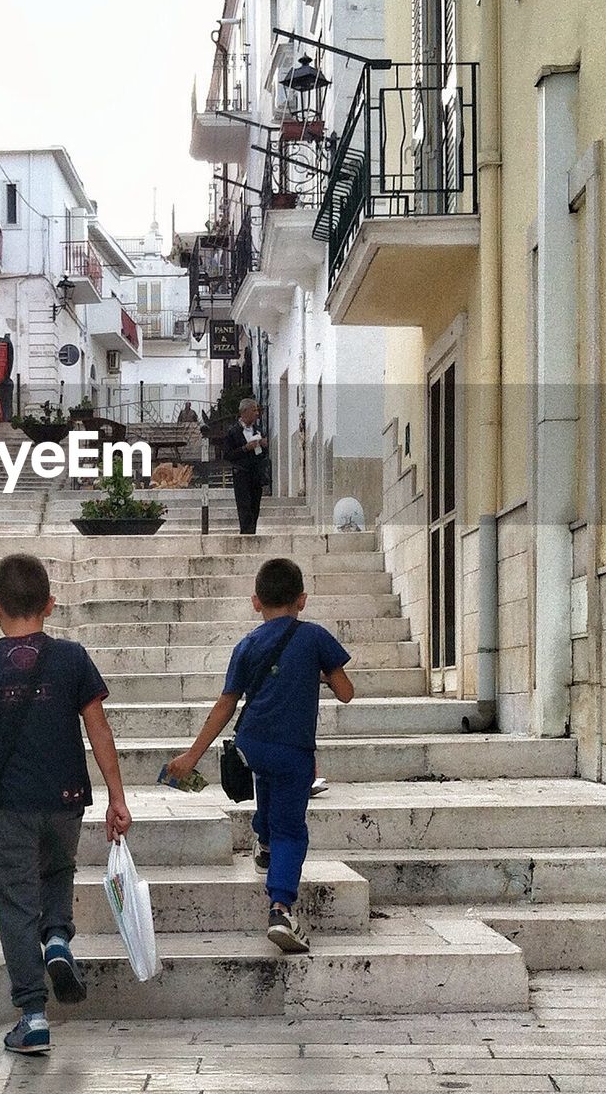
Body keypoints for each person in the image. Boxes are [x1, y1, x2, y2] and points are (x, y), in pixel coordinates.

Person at [0, 553, 132, 1057]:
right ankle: (58, 938)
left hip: (12, 806)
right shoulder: (73, 658)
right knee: (58, 872)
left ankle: (33, 1016)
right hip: (67, 800)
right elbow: (98, 728)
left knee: (16, 903)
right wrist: (117, 798)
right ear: (51, 604)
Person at [163, 557, 354, 954]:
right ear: (302, 600)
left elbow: (226, 704)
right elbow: (346, 691)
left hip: (251, 744)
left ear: (255, 602)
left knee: (268, 787)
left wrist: (191, 756)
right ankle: (281, 908)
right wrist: (317, 673)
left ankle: (263, 843)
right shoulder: (316, 638)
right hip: (293, 750)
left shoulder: (247, 645)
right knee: (291, 829)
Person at [223, 396, 267, 534]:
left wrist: (263, 446)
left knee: (255, 504)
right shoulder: (233, 431)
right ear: (244, 412)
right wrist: (245, 448)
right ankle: (246, 532)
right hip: (241, 473)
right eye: (254, 410)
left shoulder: (258, 429)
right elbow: (228, 455)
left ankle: (252, 530)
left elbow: (262, 453)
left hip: (256, 472)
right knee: (244, 504)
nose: (257, 413)